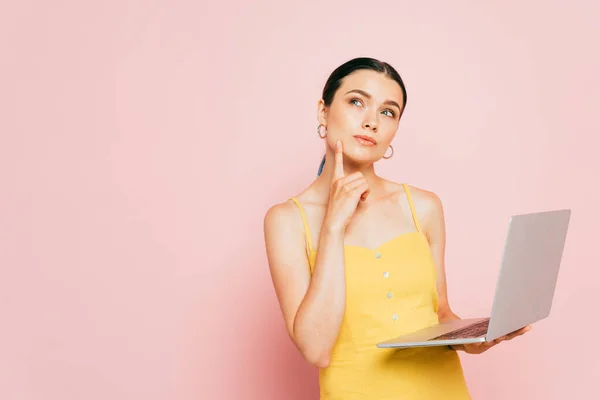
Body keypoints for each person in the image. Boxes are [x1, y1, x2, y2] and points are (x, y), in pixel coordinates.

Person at [263, 57, 530, 399]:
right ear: (323, 112)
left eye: (388, 112)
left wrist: (475, 339)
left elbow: (441, 314)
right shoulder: (287, 220)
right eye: (356, 102)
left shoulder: (423, 206)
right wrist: (333, 226)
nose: (371, 121)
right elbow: (316, 350)